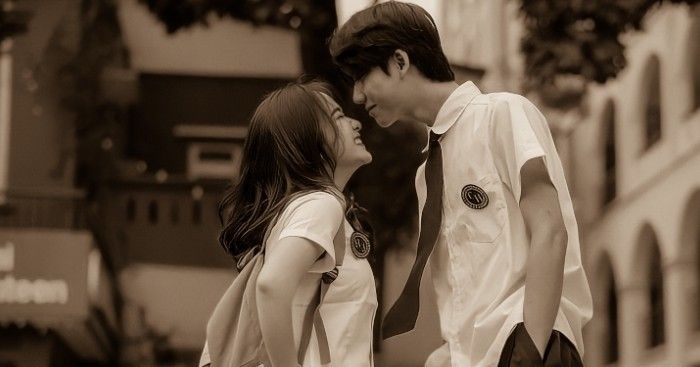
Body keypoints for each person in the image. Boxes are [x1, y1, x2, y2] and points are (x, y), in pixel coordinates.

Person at [329, 2, 593, 367]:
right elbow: (463, 279)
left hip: (528, 346)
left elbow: (550, 231)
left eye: (361, 75)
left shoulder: (501, 114)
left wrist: (529, 351)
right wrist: (451, 351)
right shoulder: (428, 169)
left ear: (400, 62)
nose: (358, 96)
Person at [217, 80, 377, 367]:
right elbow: (271, 285)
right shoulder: (320, 205)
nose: (356, 123)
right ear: (307, 141)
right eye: (339, 117)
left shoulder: (310, 208)